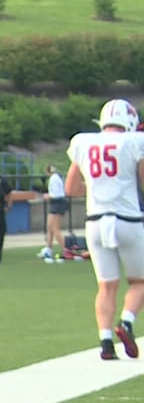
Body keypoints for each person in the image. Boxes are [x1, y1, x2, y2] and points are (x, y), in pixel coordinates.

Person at [64, 99, 144, 361]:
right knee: (140, 281)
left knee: (106, 286)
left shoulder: (83, 142)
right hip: (128, 219)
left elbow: (71, 189)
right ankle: (127, 322)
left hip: (96, 221)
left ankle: (106, 342)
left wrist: (101, 190)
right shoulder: (135, 141)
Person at [42, 164, 67, 263]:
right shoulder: (55, 177)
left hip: (58, 203)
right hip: (55, 204)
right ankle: (48, 248)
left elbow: (56, 194)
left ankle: (66, 250)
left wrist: (48, 196)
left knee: (55, 228)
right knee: (49, 226)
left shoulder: (54, 179)